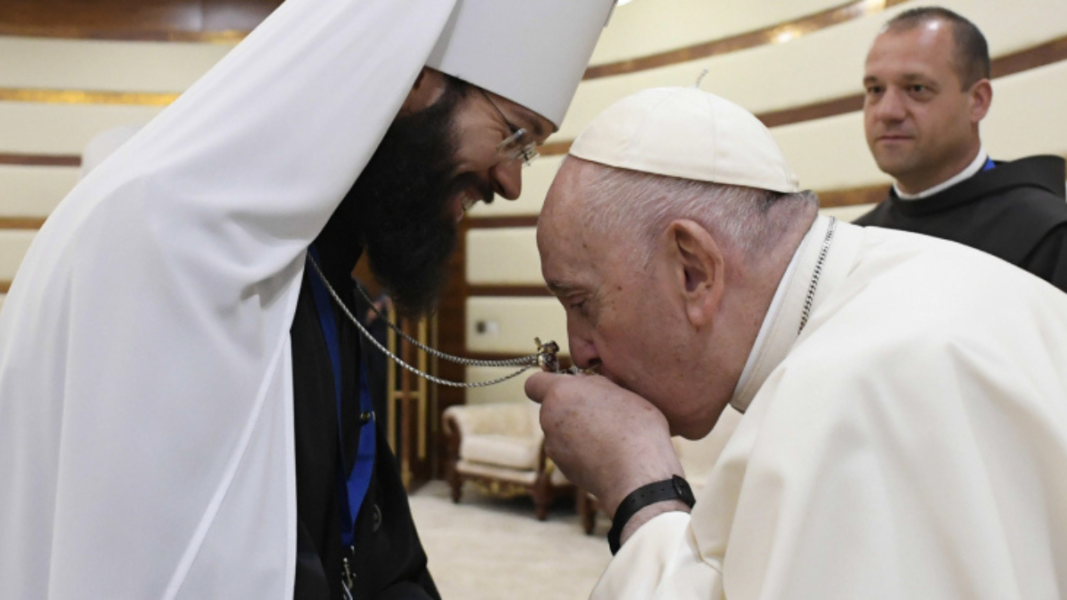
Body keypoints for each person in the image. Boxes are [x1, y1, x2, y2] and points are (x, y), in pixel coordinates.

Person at [0, 1, 615, 598]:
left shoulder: (320, 274)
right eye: (513, 138)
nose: (510, 182)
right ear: (412, 80)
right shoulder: (159, 238)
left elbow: (372, 544)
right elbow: (165, 564)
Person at [525, 86, 1067, 598]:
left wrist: (640, 489)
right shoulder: (916, 272)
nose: (581, 349)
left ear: (693, 270)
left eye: (581, 302)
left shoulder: (852, 393)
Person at [855, 7, 1067, 291]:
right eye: (875, 90)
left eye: (916, 88)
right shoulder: (856, 240)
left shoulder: (1047, 236)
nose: (888, 111)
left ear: (978, 101)